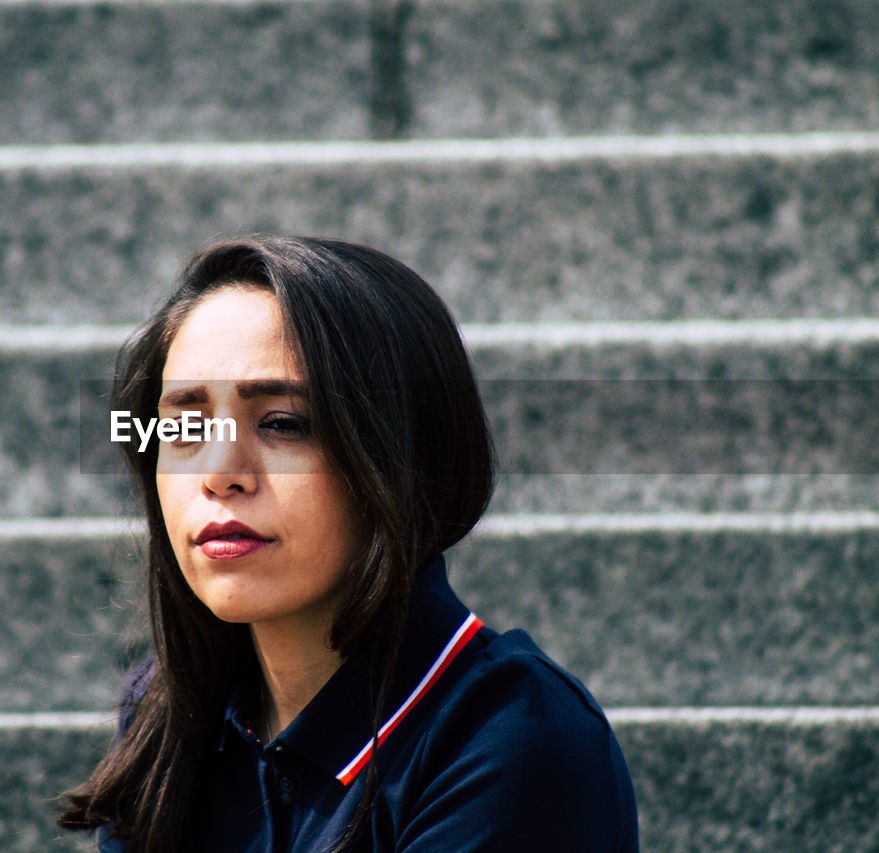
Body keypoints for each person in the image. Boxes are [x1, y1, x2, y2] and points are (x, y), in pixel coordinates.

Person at [58, 235, 638, 852]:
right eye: (183, 427)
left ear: (403, 456)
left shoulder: (511, 737)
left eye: (282, 423)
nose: (218, 473)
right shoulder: (172, 712)